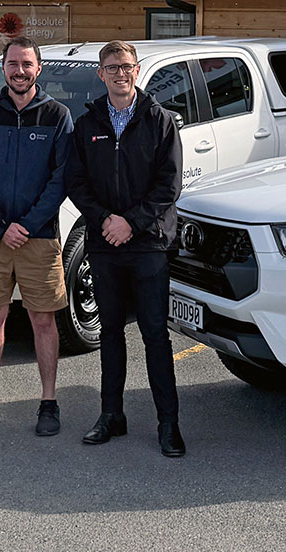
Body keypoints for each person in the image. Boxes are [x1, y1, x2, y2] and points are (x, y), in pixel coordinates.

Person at [66, 40, 187, 457]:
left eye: (127, 66)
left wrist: (130, 223)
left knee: (155, 334)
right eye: (112, 67)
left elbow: (169, 185)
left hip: (148, 244)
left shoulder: (159, 120)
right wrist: (104, 221)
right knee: (110, 334)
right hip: (105, 245)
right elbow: (76, 182)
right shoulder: (88, 123)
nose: (120, 73)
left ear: (137, 71)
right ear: (101, 74)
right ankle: (111, 415)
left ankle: (168, 424)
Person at [0, 38, 73, 438]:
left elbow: (62, 179)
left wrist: (27, 223)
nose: (19, 70)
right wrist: (1, 224)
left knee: (43, 319)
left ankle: (48, 402)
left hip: (39, 238)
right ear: (2, 69)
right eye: (12, 64)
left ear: (39, 69)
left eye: (26, 64)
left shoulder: (58, 116)